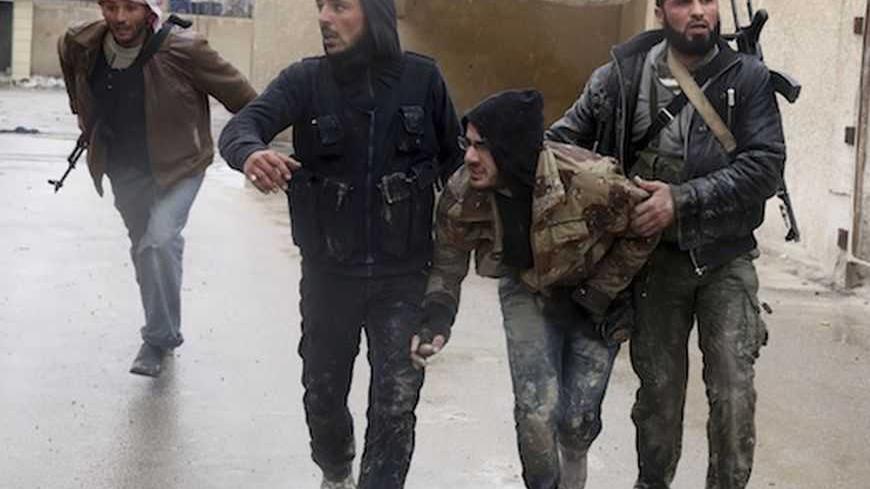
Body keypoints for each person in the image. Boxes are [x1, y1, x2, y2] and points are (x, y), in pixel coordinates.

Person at [217, 0, 461, 487]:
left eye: (341, 6)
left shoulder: (423, 81)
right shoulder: (304, 81)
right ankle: (335, 469)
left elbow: (458, 170)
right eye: (320, 6)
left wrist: (447, 287)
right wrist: (251, 153)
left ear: (376, 14)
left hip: (403, 276)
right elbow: (240, 127)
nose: (325, 17)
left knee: (395, 403)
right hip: (330, 276)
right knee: (323, 396)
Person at [546, 0, 786, 487]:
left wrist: (681, 199)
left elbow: (766, 166)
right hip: (653, 264)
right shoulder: (621, 76)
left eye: (708, 0)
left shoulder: (749, 78)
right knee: (657, 400)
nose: (699, 11)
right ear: (659, 11)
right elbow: (561, 144)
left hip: (725, 258)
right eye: (682, 2)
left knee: (734, 397)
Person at [415, 89, 657, 489]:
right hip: (525, 289)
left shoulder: (590, 180)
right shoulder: (463, 193)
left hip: (593, 296)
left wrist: (602, 290)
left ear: (512, 149)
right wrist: (437, 316)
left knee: (578, 419)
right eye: (467, 145)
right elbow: (448, 263)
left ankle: (574, 464)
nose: (470, 158)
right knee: (535, 407)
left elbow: (644, 228)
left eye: (482, 147)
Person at [58, 0, 256, 377]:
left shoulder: (184, 48)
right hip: (124, 168)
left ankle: (158, 339)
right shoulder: (81, 42)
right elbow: (72, 70)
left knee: (159, 241)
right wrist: (81, 112)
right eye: (111, 6)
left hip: (180, 165)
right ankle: (161, 314)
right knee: (146, 248)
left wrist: (254, 149)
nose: (119, 18)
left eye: (130, 8)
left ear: (148, 10)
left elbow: (246, 100)